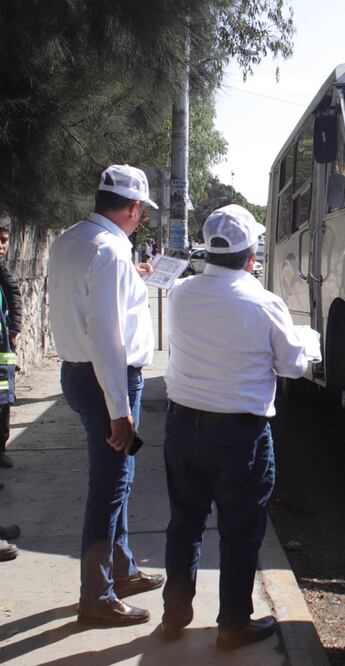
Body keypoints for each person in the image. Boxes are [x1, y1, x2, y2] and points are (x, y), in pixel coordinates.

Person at [162, 204, 314, 649]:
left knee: (184, 522)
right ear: (252, 257)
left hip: (183, 425)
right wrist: (309, 346)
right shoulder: (264, 303)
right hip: (239, 435)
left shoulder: (181, 293)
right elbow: (293, 365)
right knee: (241, 528)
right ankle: (232, 622)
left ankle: (175, 612)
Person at [48, 164, 164, 626]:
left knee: (120, 478)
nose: (141, 219)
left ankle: (122, 567)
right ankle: (95, 597)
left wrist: (133, 273)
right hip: (106, 380)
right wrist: (120, 410)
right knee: (110, 487)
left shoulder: (74, 239)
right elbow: (107, 336)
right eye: (142, 212)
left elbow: (86, 301)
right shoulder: (111, 252)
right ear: (134, 208)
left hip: (79, 374)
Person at [0, 220, 22, 469]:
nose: (1, 246)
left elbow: (14, 296)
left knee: (4, 400)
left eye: (4, 240)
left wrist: (14, 330)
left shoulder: (4, 272)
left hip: (3, 351)